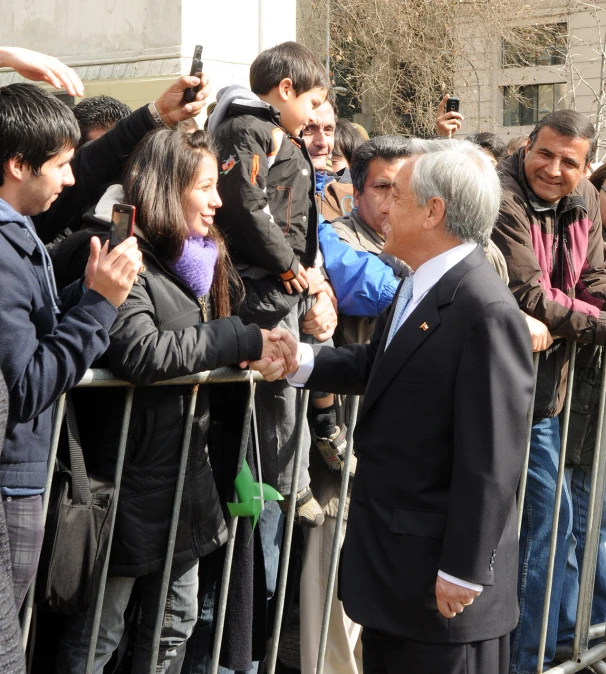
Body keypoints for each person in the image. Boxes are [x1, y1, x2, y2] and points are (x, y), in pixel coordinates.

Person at [253, 140, 535, 673]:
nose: (384, 208)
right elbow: (381, 365)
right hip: (397, 572)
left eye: (398, 196)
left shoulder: (484, 308)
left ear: (435, 211)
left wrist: (465, 568)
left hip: (439, 590)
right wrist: (303, 361)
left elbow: (493, 455)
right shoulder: (421, 282)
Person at [51, 128, 297, 673]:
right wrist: (240, 339)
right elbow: (142, 352)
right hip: (127, 481)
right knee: (102, 632)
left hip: (183, 476)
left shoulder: (198, 259)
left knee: (175, 622)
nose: (217, 201)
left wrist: (254, 346)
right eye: (206, 187)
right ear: (167, 187)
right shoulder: (125, 257)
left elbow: (200, 343)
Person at [0, 82, 142, 610]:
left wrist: (87, 291)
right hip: (12, 477)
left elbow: (36, 327)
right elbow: (27, 384)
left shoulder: (21, 233)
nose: (72, 178)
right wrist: (101, 304)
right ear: (19, 164)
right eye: (61, 163)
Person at [492, 109, 606, 674]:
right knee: (544, 521)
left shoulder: (583, 197)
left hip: (549, 394)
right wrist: (598, 322)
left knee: (553, 521)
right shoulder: (500, 195)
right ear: (527, 145)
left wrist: (584, 315)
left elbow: (595, 283)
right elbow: (531, 296)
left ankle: (538, 651)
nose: (554, 169)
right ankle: (522, 662)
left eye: (570, 161)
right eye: (546, 153)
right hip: (500, 391)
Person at [208, 41, 333, 527]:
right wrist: (287, 265)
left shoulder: (276, 132)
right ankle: (289, 484)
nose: (315, 115)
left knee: (293, 376)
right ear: (285, 89)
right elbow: (247, 204)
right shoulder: (247, 128)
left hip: (285, 283)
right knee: (281, 378)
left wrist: (309, 274)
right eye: (312, 103)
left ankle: (290, 477)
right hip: (259, 283)